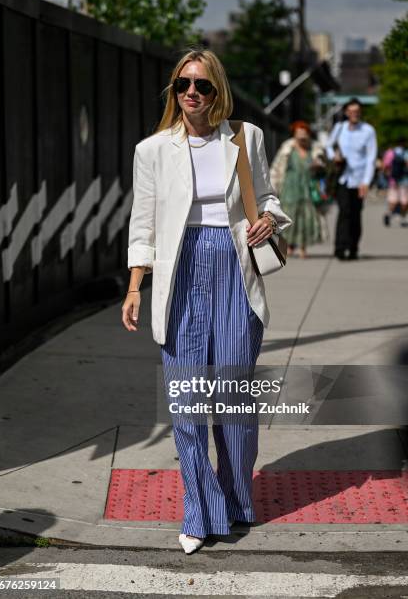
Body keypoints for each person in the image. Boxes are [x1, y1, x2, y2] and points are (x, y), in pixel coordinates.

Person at [121, 49, 292, 554]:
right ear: (173, 91)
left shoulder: (246, 138)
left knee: (234, 401)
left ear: (218, 91)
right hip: (181, 271)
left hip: (236, 268)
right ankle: (199, 510)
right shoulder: (151, 150)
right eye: (182, 85)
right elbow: (143, 223)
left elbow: (269, 197)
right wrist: (135, 285)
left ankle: (237, 501)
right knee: (188, 399)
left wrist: (269, 219)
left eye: (203, 85)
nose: (191, 93)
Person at [326, 98, 378, 260]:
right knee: (344, 211)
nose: (354, 114)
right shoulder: (340, 128)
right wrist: (333, 156)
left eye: (357, 111)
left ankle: (353, 247)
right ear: (346, 112)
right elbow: (328, 145)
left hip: (359, 180)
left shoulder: (368, 131)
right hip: (343, 177)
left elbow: (371, 158)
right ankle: (340, 248)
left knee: (355, 214)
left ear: (360, 112)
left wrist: (366, 181)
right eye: (351, 111)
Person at [270, 120, 327, 259]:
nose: (302, 135)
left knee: (305, 216)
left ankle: (303, 247)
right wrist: (273, 186)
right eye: (299, 132)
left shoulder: (315, 149)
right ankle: (288, 245)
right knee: (289, 215)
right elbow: (276, 168)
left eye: (305, 132)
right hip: (289, 187)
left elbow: (324, 166)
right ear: (294, 134)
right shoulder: (287, 148)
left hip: (307, 187)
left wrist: (318, 165)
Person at [382, 140, 408, 227]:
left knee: (393, 200)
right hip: (405, 180)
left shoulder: (390, 153)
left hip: (393, 180)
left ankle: (388, 214)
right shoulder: (406, 152)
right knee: (405, 201)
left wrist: (388, 177)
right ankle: (403, 219)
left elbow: (385, 166)